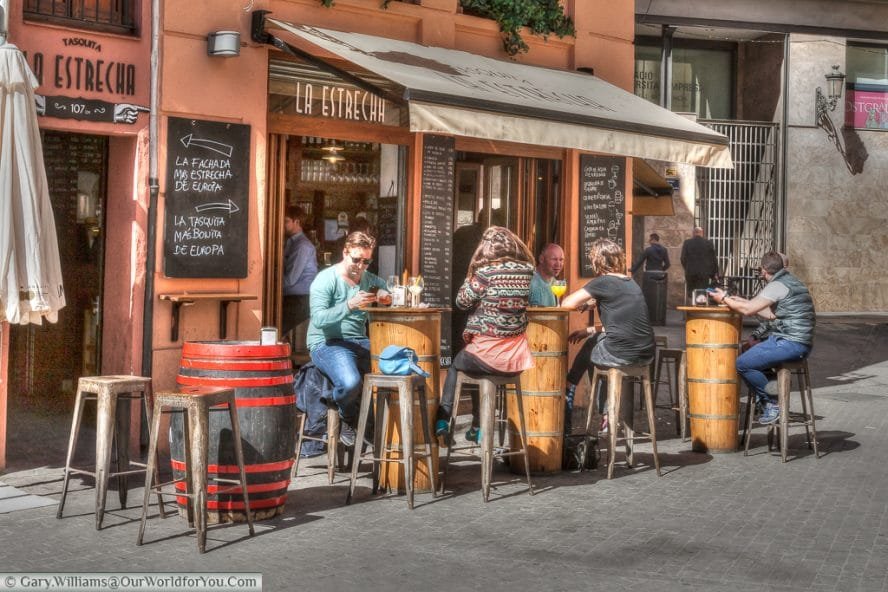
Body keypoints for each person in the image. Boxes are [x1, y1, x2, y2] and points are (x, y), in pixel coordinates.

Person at [436, 226, 536, 442]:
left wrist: (471, 275)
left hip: (487, 354)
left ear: (488, 249)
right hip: (517, 360)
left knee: (457, 364)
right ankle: (478, 426)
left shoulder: (485, 273)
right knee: (472, 362)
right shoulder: (528, 271)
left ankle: (443, 419)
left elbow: (461, 302)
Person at [561, 238, 656, 434]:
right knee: (597, 344)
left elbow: (566, 304)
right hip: (645, 354)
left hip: (622, 353)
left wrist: (591, 299)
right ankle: (606, 415)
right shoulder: (631, 284)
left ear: (597, 261)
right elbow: (621, 328)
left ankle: (570, 388)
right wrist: (588, 326)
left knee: (594, 347)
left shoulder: (603, 282)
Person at [710, 251, 814, 424]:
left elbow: (749, 311)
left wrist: (724, 298)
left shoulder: (776, 285)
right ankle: (770, 396)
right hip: (797, 341)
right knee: (748, 350)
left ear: (763, 270)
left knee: (742, 363)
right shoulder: (792, 281)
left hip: (790, 342)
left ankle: (772, 403)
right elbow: (769, 314)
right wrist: (742, 301)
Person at [306, 231, 386, 446]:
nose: (361, 265)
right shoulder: (326, 279)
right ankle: (348, 418)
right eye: (356, 259)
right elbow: (319, 319)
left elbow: (389, 294)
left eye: (366, 261)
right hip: (327, 343)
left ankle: (380, 431)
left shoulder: (371, 280)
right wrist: (350, 305)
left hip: (359, 341)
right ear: (345, 252)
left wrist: (388, 299)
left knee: (397, 367)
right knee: (350, 383)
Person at [450, 217, 485, 355]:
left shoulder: (462, 232)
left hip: (455, 282)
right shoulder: (489, 273)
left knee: (458, 327)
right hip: (463, 284)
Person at [281, 206, 318, 337]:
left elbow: (290, 279)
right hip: (293, 298)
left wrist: (270, 289)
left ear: (297, 222)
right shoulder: (290, 242)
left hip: (299, 300)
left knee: (276, 330)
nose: (282, 224)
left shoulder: (302, 245)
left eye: (286, 221)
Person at [680, 226, 719, 297]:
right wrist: (714, 273)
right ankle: (702, 305)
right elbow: (713, 259)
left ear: (693, 233)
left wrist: (687, 268)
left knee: (692, 292)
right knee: (703, 291)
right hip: (704, 273)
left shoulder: (687, 243)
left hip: (691, 272)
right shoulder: (708, 243)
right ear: (702, 233)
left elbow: (683, 258)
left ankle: (693, 304)